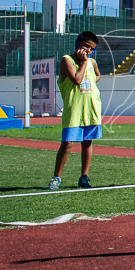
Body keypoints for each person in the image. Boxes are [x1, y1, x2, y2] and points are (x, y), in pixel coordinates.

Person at [46, 31, 102, 190]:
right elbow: (77, 80)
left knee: (87, 142)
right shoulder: (67, 60)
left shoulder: (92, 62)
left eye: (92, 49)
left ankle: (84, 176)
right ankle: (56, 178)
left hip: (91, 108)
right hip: (75, 109)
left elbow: (98, 75)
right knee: (68, 143)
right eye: (86, 46)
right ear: (78, 44)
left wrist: (92, 83)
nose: (88, 51)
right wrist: (83, 63)